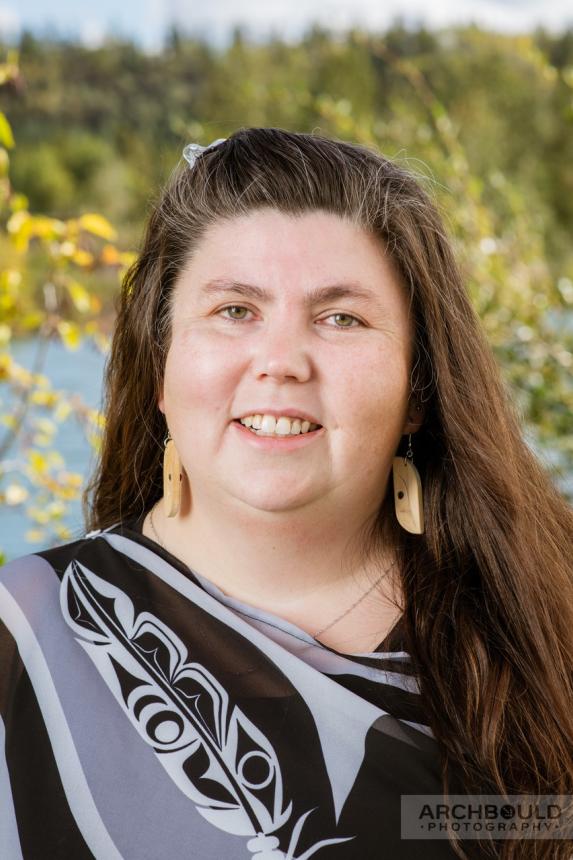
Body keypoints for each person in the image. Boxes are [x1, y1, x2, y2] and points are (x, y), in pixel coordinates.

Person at [1, 127, 572, 860]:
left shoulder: (544, 617)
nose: (280, 362)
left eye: (341, 318)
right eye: (234, 310)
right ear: (162, 367)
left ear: (417, 391)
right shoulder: (25, 637)